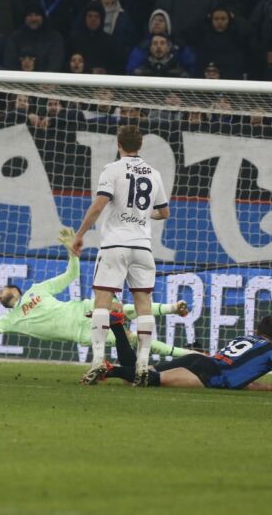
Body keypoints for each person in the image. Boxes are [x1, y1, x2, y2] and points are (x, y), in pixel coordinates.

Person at [0, 229, 192, 358]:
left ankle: (171, 308)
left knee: (124, 308)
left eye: (2, 289)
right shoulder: (9, 321)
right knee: (133, 339)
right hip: (82, 333)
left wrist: (71, 252)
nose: (0, 292)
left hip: (82, 308)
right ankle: (189, 356)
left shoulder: (38, 290)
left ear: (15, 289)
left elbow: (70, 276)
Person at [73, 125, 169, 386]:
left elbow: (99, 204)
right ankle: (142, 365)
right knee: (144, 304)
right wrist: (141, 213)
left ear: (119, 144)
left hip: (115, 245)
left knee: (102, 300)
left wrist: (80, 233)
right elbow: (164, 212)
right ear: (140, 145)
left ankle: (97, 362)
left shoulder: (112, 170)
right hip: (143, 247)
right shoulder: (154, 173)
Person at [106, 316, 272, 393]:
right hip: (210, 374)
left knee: (134, 375)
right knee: (142, 379)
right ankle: (110, 370)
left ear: (256, 331)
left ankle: (117, 327)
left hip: (201, 360)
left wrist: (270, 387)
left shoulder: (241, 338)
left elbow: (242, 377)